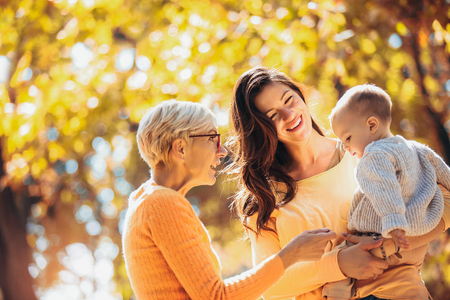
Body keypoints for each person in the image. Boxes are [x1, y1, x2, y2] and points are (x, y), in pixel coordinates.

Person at [226, 67, 450, 300]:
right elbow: (269, 285)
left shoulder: (363, 149)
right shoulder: (264, 197)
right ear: (260, 130)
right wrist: (338, 263)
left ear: (300, 95)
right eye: (272, 115)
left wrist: (386, 247)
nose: (288, 114)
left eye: (289, 100)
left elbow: (445, 201)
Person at [121, 99, 337, 300]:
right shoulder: (162, 203)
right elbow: (216, 296)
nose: (222, 151)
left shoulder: (147, 202)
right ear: (180, 148)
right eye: (212, 139)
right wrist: (290, 255)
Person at [321, 84, 450, 300]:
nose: (345, 147)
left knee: (342, 253)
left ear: (372, 125)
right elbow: (443, 172)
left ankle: (334, 295)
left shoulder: (374, 155)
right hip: (415, 239)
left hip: (383, 235)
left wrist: (394, 222)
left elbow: (385, 189)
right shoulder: (415, 147)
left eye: (348, 138)